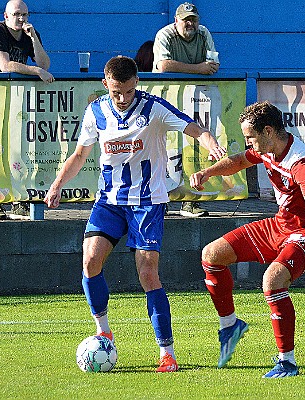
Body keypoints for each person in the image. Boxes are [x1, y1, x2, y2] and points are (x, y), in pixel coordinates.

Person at [44, 56, 226, 372]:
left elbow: (193, 128)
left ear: (136, 83)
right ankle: (103, 330)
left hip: (147, 203)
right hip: (109, 202)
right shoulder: (96, 111)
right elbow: (79, 155)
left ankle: (166, 353)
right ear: (105, 85)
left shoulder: (153, 109)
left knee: (148, 274)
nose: (123, 98)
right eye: (117, 92)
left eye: (128, 91)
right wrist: (58, 184)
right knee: (90, 261)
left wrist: (211, 144)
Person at [190, 101, 305, 378]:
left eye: (250, 136)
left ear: (269, 131)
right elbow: (239, 160)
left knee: (272, 280)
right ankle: (230, 326)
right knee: (211, 254)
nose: (248, 141)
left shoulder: (301, 162)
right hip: (280, 225)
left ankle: (287, 362)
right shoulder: (267, 149)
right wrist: (207, 172)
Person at [153, 2, 220, 217]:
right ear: (176, 21)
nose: (190, 23)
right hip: (166, 97)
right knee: (165, 147)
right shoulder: (165, 34)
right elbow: (163, 66)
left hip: (196, 97)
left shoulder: (204, 33)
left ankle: (190, 200)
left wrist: (205, 69)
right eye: (185, 19)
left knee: (195, 147)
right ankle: (159, 198)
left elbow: (213, 63)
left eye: (193, 19)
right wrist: (198, 69)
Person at [0, 0, 54, 220]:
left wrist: (34, 38)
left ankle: (19, 200)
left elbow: (45, 64)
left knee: (17, 148)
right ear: (6, 16)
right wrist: (35, 70)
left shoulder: (29, 33)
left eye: (25, 14)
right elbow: (5, 65)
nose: (22, 18)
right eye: (17, 14)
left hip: (15, 98)